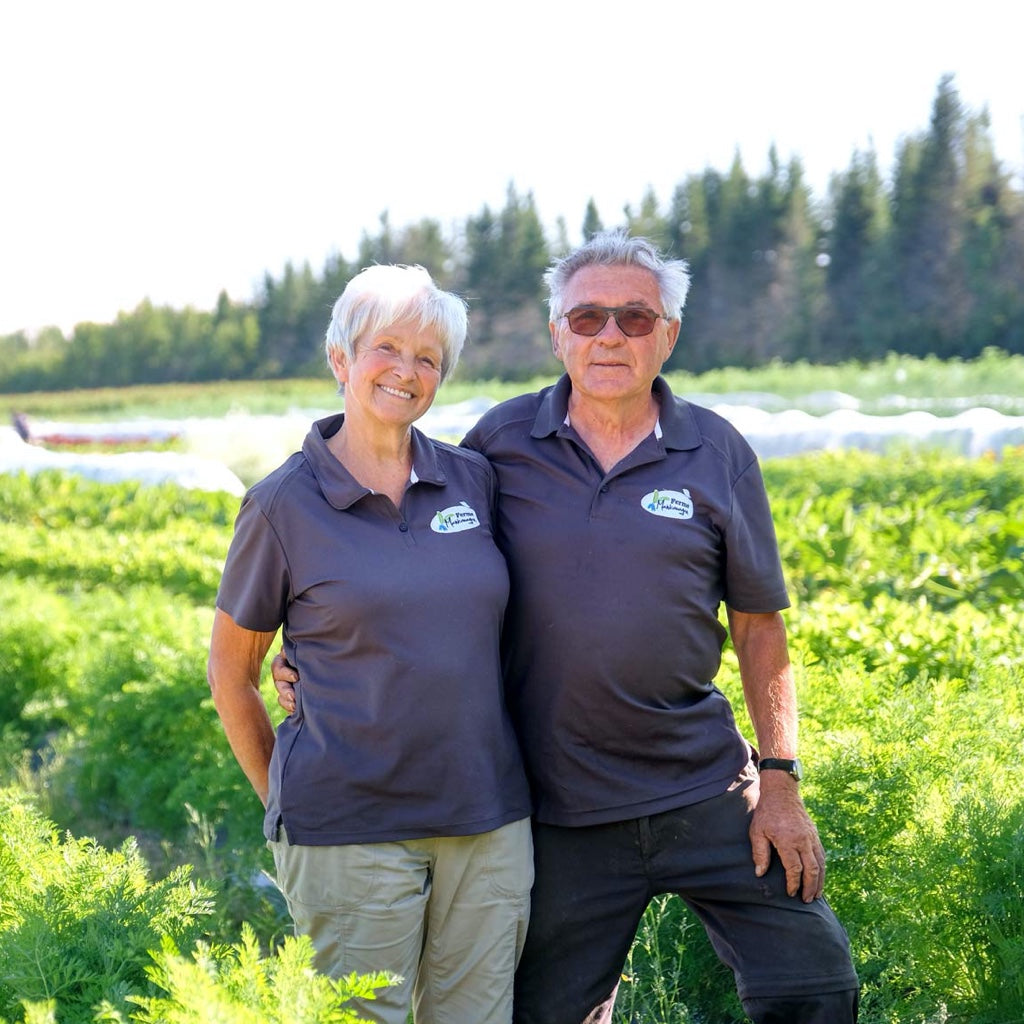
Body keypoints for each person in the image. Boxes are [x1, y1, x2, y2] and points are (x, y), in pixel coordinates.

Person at [274, 232, 859, 1023]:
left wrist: (782, 781)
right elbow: (410, 564)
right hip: (559, 808)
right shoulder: (496, 450)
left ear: (669, 335)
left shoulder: (717, 453)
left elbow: (759, 626)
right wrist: (322, 650)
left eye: (634, 318)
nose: (610, 336)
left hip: (704, 787)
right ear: (557, 334)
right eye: (587, 318)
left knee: (814, 980)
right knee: (544, 1013)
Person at [208, 263, 533, 1024]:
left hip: (487, 822)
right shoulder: (283, 504)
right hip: (349, 832)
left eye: (428, 358)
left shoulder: (472, 481)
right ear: (341, 359)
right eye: (388, 347)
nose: (407, 371)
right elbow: (233, 674)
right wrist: (284, 804)